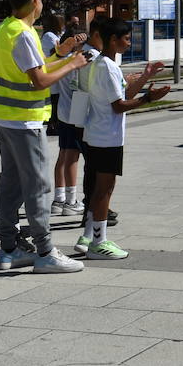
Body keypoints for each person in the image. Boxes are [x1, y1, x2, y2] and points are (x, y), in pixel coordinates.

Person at [0, 0, 91, 274]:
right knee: (36, 185)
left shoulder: (7, 29)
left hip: (5, 117)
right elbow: (39, 80)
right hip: (23, 121)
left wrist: (61, 55)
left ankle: (9, 249)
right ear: (35, 1)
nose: (43, 5)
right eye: (42, 0)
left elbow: (36, 68)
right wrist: (71, 65)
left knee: (11, 181)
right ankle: (45, 252)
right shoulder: (23, 34)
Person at [74, 19, 169, 260]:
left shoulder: (100, 63)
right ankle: (99, 242)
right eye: (126, 39)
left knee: (99, 189)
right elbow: (119, 106)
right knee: (104, 190)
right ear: (113, 40)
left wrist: (145, 76)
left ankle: (88, 236)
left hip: (97, 134)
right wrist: (149, 99)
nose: (129, 43)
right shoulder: (107, 67)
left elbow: (124, 94)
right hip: (107, 137)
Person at [52, 17, 102, 218]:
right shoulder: (82, 60)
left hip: (64, 111)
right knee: (73, 155)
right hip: (78, 112)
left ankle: (59, 198)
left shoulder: (61, 63)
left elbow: (54, 89)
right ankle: (71, 201)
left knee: (64, 154)